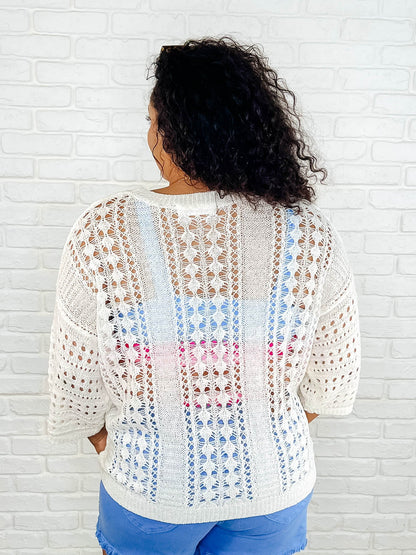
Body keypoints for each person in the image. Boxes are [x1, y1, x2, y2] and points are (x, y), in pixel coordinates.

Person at [47, 36, 361, 555]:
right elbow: (331, 380)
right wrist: (264, 442)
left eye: (153, 121)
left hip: (151, 492)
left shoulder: (104, 230)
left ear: (177, 130)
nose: (149, 135)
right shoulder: (308, 233)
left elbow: (75, 379)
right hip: (273, 492)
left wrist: (114, 448)